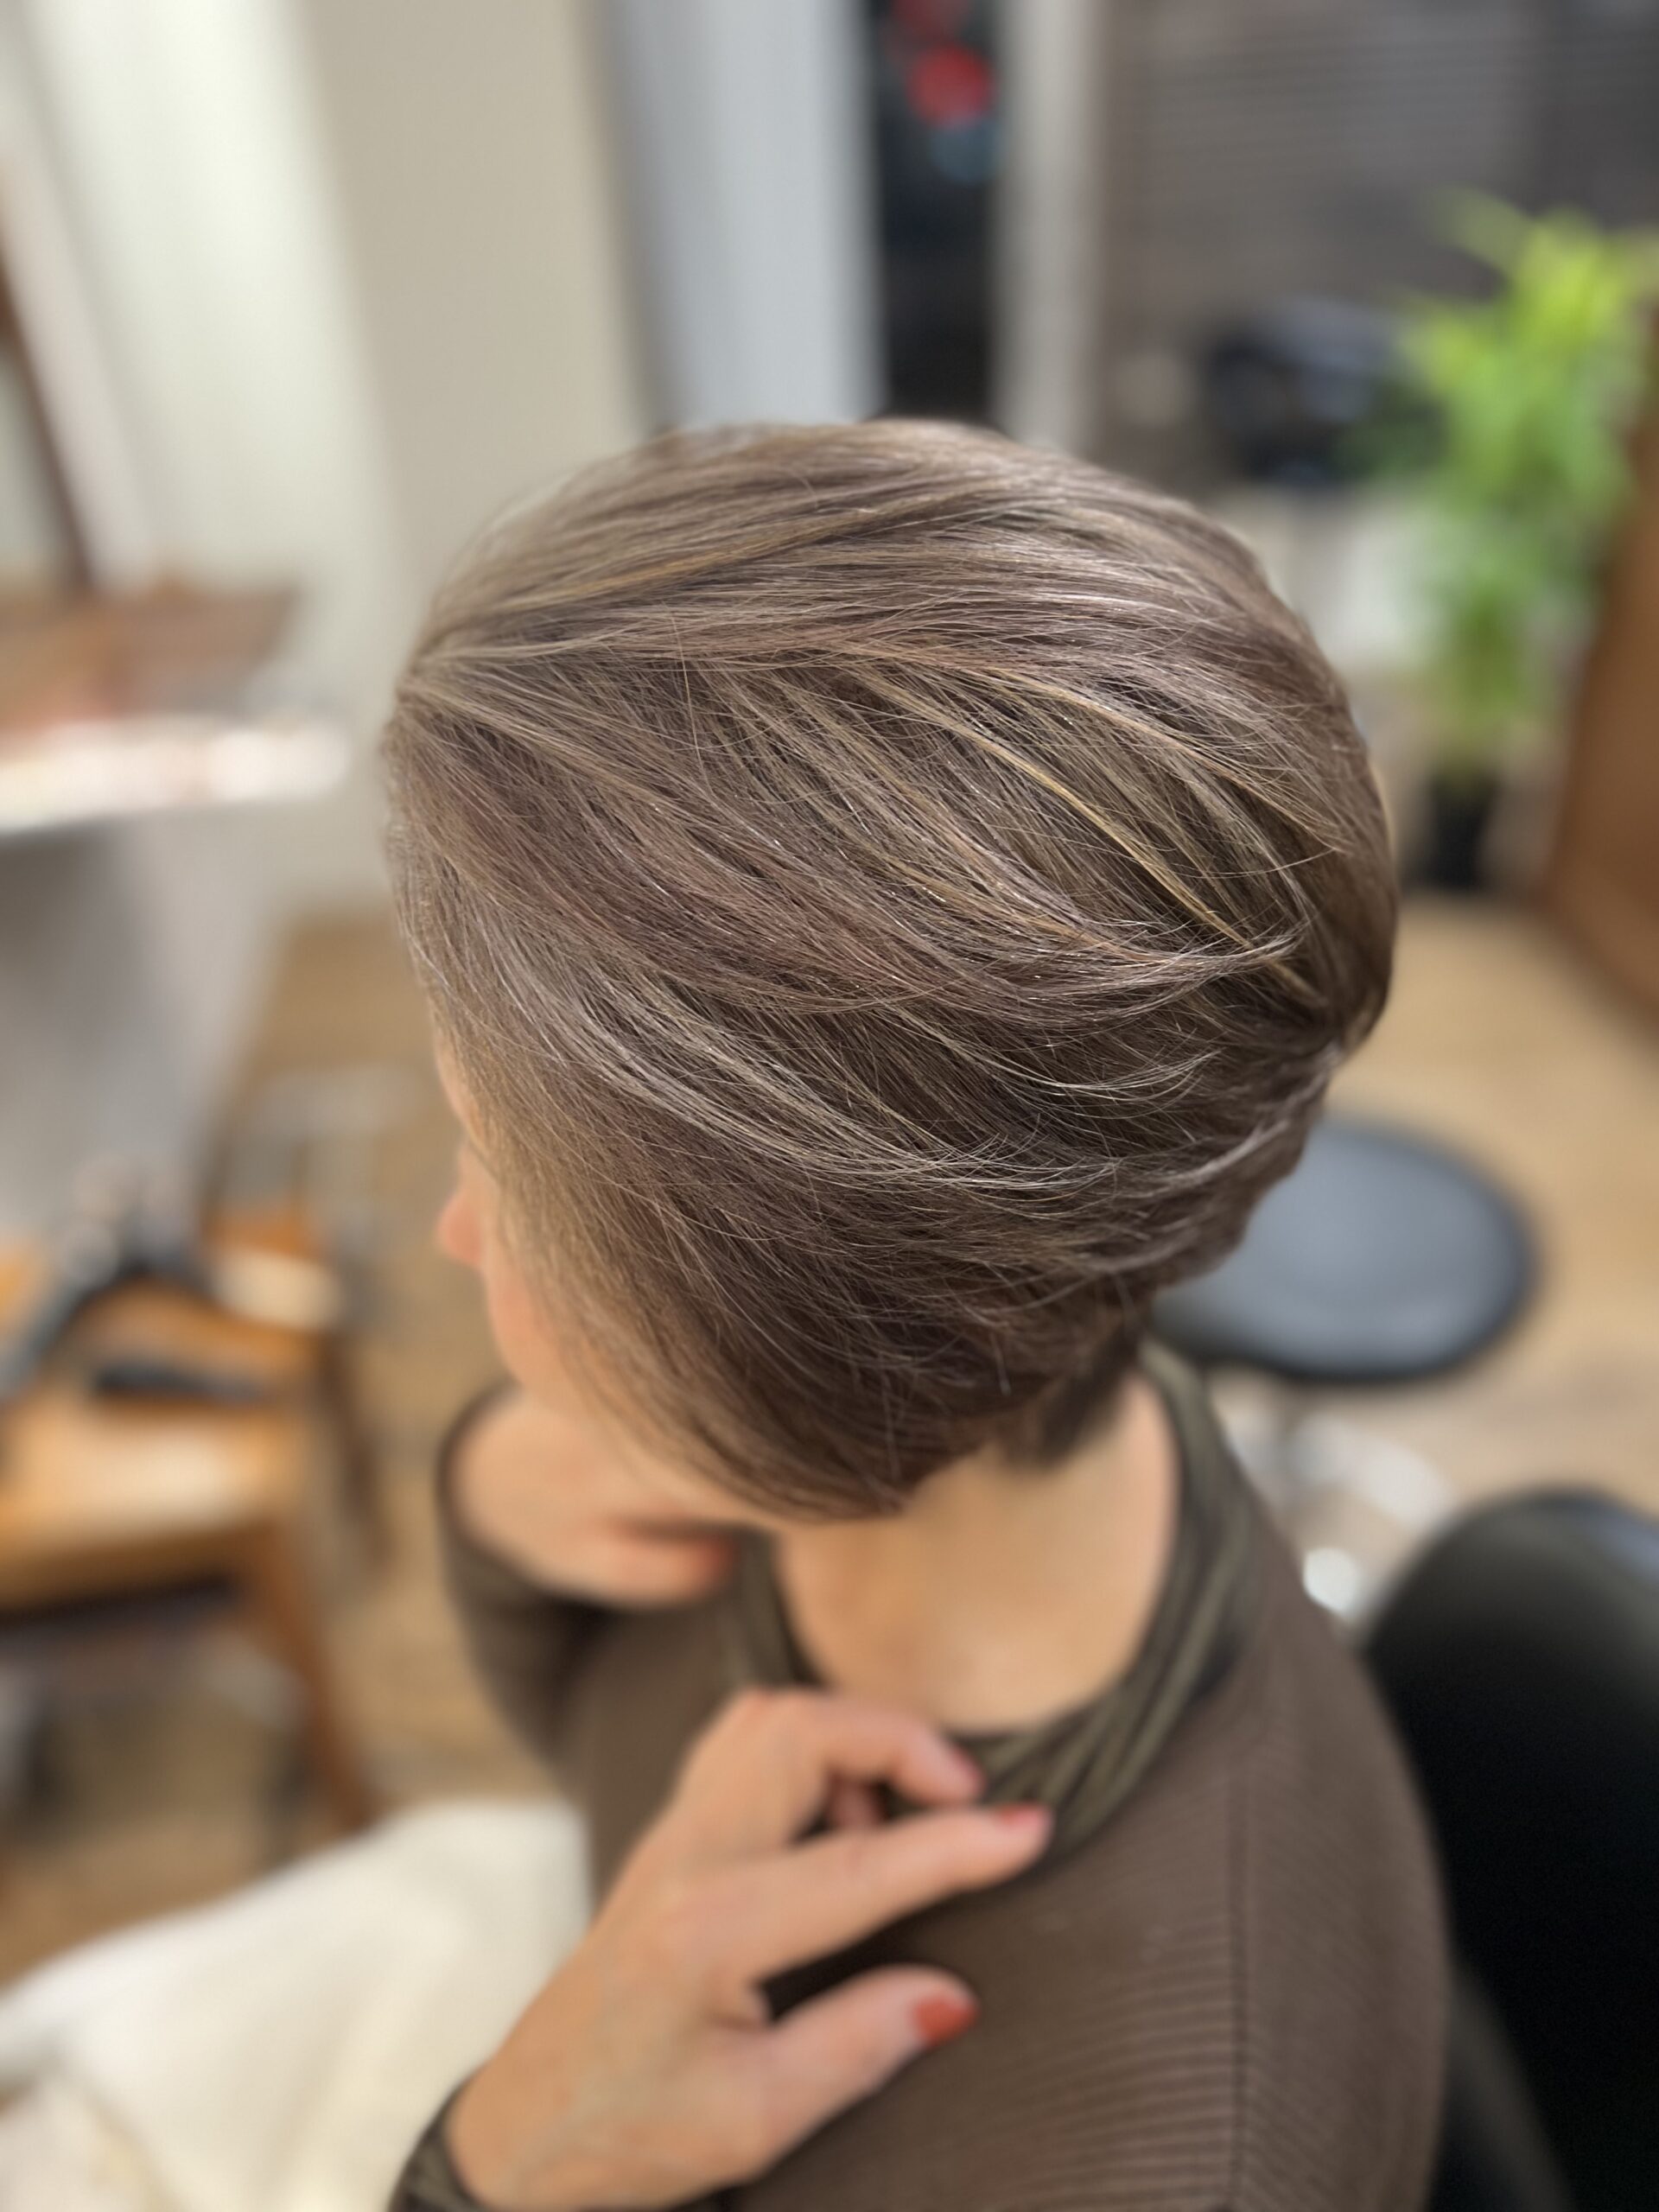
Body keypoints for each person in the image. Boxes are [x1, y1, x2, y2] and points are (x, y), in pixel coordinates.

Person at [384, 421, 1447, 2210]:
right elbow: (600, 1757)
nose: (450, 1231)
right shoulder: (811, 1452)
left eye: (500, 1172)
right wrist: (496, 1501)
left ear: (785, 1315)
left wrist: (492, 2171)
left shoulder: (1161, 2154)